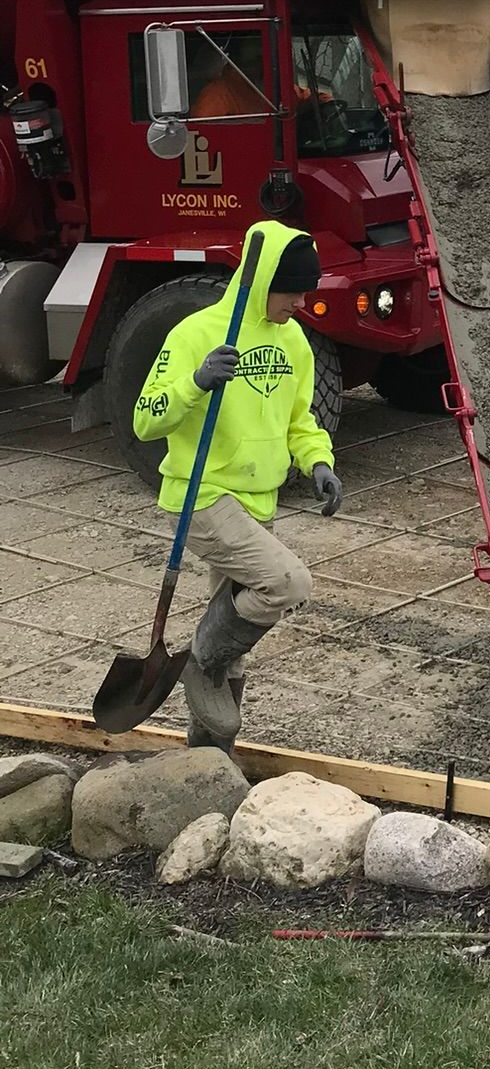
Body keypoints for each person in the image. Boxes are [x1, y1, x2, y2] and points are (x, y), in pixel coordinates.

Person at [132, 222, 342, 752]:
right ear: (261, 279)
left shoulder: (293, 339)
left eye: (305, 291)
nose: (300, 302)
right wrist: (195, 382)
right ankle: (201, 661)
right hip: (201, 495)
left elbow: (301, 419)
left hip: (257, 499)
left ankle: (208, 757)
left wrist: (317, 460)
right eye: (291, 290)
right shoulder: (198, 334)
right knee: (286, 583)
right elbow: (144, 419)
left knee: (239, 638)